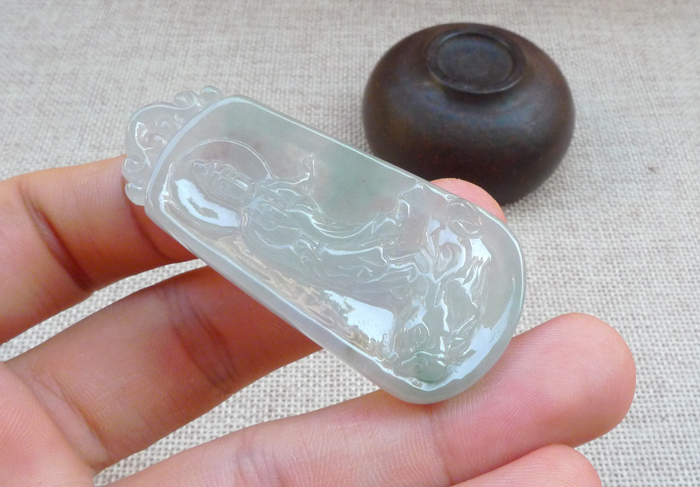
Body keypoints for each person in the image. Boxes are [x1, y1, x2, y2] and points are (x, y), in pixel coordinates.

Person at [0, 157, 635, 486]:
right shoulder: (258, 224)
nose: (226, 181)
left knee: (395, 267)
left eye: (225, 174)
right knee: (381, 273)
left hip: (354, 253)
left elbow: (327, 220)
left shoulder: (274, 199)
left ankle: (423, 301)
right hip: (338, 262)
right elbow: (301, 252)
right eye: (218, 181)